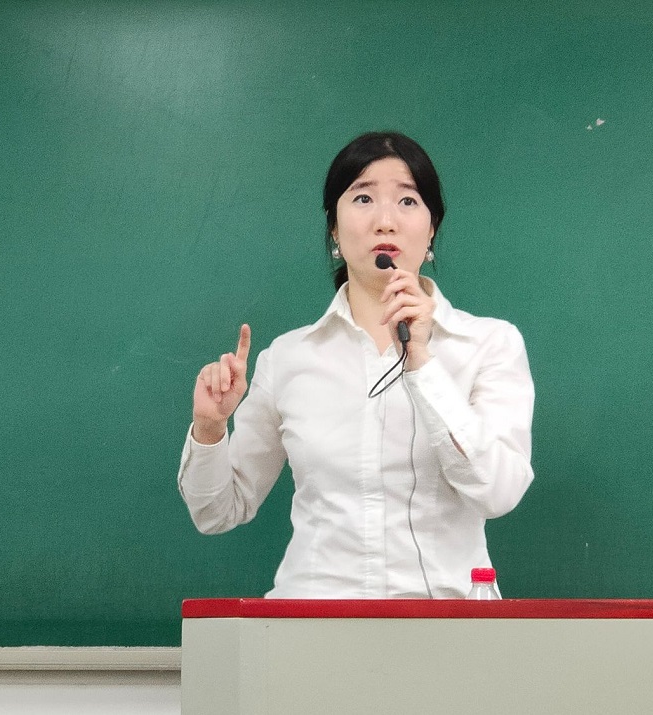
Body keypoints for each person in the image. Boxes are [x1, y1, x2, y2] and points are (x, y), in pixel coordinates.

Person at [178, 131, 534, 598]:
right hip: (313, 620)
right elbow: (217, 512)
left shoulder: (489, 344)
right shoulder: (288, 358)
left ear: (431, 229)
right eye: (363, 198)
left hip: (446, 622)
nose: (385, 221)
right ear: (334, 228)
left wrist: (424, 364)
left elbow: (499, 492)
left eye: (408, 201)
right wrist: (209, 428)